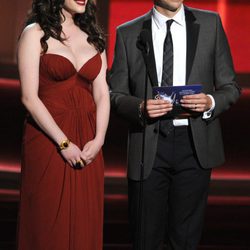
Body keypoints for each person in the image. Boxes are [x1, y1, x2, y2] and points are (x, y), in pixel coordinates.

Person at [109, 0, 240, 249]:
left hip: (194, 145)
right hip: (148, 146)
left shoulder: (210, 24)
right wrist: (140, 107)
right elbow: (115, 94)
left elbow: (230, 87)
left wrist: (210, 101)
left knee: (185, 240)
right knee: (145, 238)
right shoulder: (128, 33)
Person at [17, 0, 110, 249]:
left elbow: (102, 93)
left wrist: (99, 139)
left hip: (89, 142)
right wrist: (63, 143)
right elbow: (29, 97)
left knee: (84, 222)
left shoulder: (94, 36)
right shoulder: (35, 33)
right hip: (48, 139)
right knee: (47, 224)